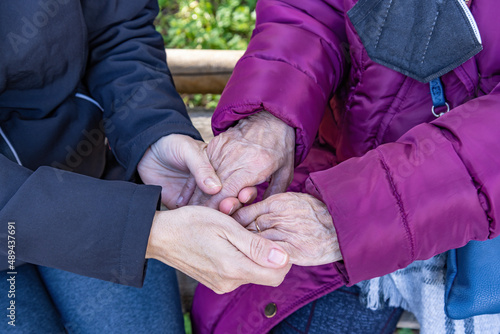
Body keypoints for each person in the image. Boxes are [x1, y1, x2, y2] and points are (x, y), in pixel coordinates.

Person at [189, 0, 500, 333]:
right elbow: (310, 11)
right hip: (337, 176)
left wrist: (352, 217)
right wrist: (272, 115)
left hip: (389, 217)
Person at [0, 0, 290, 332]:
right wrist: (142, 233)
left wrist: (153, 132)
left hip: (91, 173)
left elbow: (118, 29)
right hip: (101, 214)